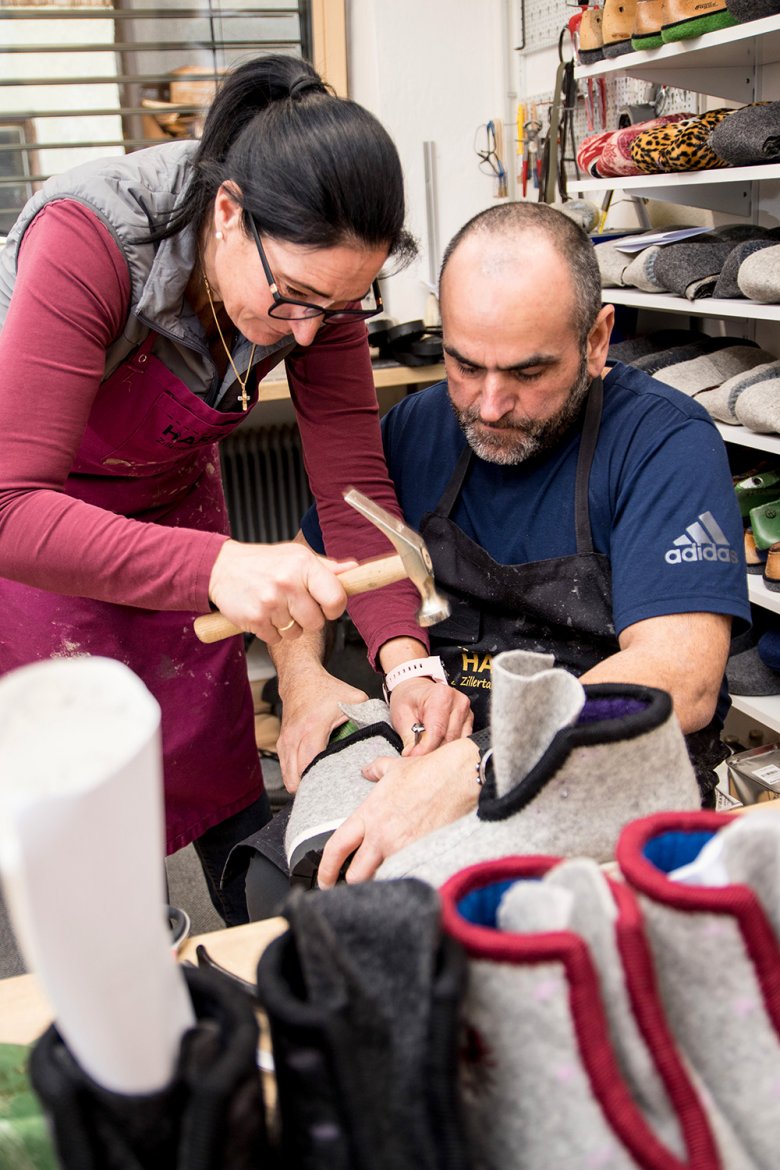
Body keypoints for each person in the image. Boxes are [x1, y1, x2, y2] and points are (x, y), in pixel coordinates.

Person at [0, 54, 470, 926]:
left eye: (335, 307)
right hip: (39, 519)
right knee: (89, 800)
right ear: (228, 213)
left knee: (211, 762)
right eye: (291, 298)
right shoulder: (94, 239)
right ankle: (121, 962)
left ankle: (256, 931)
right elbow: (9, 506)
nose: (307, 330)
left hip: (172, 499)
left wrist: (409, 663)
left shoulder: (317, 293)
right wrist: (216, 565)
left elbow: (353, 493)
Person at [259, 200, 750, 894]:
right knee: (286, 884)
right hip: (437, 746)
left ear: (598, 338)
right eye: (464, 365)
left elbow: (683, 677)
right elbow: (300, 580)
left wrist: (479, 767)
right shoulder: (416, 431)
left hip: (600, 770)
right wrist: (302, 681)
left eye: (526, 374)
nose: (488, 406)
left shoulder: (665, 445)